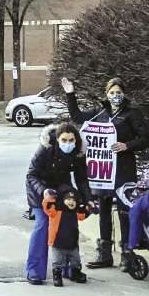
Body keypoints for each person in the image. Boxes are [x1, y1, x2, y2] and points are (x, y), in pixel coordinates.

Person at [62, 76, 149, 272]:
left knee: (123, 211)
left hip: (123, 169)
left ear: (124, 94)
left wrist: (127, 145)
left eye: (119, 92)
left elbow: (145, 138)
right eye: (112, 93)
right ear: (106, 94)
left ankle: (127, 254)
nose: (115, 96)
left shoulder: (132, 114)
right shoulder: (100, 112)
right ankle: (104, 253)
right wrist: (70, 94)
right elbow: (77, 117)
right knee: (103, 209)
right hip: (103, 170)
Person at [24, 121, 93, 285]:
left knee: (68, 225)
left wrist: (88, 199)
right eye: (64, 140)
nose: (68, 144)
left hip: (62, 189)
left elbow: (82, 179)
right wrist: (43, 191)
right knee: (43, 225)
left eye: (71, 140)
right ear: (57, 139)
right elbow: (31, 174)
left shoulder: (78, 152)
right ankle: (34, 270)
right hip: (39, 189)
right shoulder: (45, 148)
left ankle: (69, 268)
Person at [43, 184, 92, 287]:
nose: (71, 202)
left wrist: (90, 208)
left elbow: (83, 215)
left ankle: (76, 273)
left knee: (76, 260)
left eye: (74, 200)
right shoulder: (56, 210)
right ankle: (57, 276)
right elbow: (47, 207)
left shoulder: (75, 212)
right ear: (63, 200)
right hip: (58, 242)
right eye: (68, 199)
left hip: (73, 243)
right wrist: (49, 198)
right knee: (57, 262)